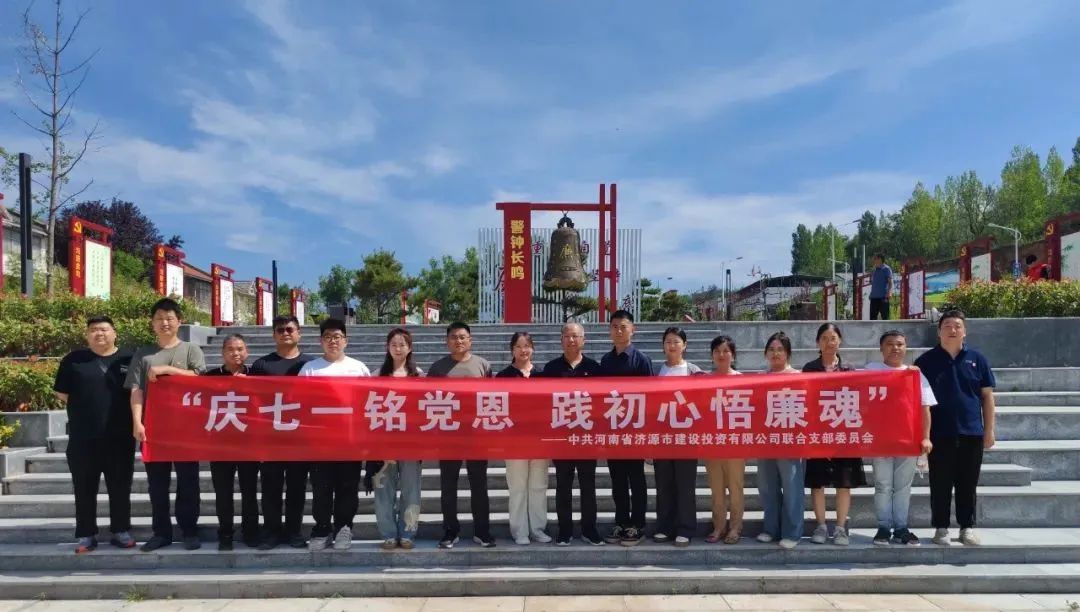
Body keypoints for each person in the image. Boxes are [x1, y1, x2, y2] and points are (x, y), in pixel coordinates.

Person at [125, 298, 207, 552]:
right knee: (157, 485)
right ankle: (161, 532)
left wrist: (167, 370)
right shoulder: (143, 353)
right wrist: (137, 422)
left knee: (188, 482)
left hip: (186, 429)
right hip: (154, 428)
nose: (165, 323)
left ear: (179, 321)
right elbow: (137, 390)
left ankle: (189, 530)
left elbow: (201, 379)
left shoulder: (191, 349)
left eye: (170, 318)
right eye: (159, 318)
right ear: (152, 323)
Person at [54, 316, 136, 554]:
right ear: (87, 335)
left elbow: (138, 392)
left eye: (104, 329)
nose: (99, 333)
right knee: (84, 487)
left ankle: (121, 530)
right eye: (93, 330)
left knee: (120, 486)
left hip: (120, 437)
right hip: (83, 438)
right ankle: (86, 534)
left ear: (114, 333)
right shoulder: (74, 360)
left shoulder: (129, 358)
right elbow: (62, 393)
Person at [914, 310, 996, 547]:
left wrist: (989, 430)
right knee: (940, 483)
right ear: (939, 332)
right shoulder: (925, 362)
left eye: (957, 326)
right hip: (939, 433)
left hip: (972, 431)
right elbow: (918, 401)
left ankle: (966, 527)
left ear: (965, 331)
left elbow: (987, 397)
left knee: (968, 483)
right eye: (947, 325)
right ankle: (941, 528)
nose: (953, 330)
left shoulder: (977, 359)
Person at [299, 318, 372, 551]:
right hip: (320, 442)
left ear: (346, 341)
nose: (333, 341)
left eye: (337, 337)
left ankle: (343, 528)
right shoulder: (310, 369)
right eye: (328, 337)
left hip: (349, 441)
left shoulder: (358, 368)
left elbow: (369, 403)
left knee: (347, 487)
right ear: (321, 341)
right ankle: (322, 529)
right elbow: (300, 403)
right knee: (321, 487)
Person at [865, 330, 937, 546]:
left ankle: (901, 528)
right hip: (880, 440)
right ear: (881, 348)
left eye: (899, 344)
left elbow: (925, 408)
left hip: (908, 440)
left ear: (905, 348)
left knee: (903, 487)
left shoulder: (915, 374)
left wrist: (926, 437)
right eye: (890, 344)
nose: (895, 348)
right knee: (883, 485)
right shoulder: (870, 370)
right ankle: (883, 528)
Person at [429, 322, 495, 549]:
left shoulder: (483, 366)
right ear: (447, 341)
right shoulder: (438, 368)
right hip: (448, 436)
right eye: (454, 337)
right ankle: (450, 531)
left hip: (477, 435)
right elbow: (428, 400)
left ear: (470, 340)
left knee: (479, 484)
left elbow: (492, 398)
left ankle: (482, 531)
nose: (458, 341)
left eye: (462, 337)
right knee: (448, 484)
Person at [539, 321, 603, 546]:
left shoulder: (594, 368)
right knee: (563, 486)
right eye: (567, 336)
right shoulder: (551, 369)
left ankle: (589, 529)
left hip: (587, 438)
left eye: (575, 336)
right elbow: (543, 403)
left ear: (583, 340)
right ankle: (564, 530)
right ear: (561, 340)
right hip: (561, 438)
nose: (571, 340)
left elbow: (602, 403)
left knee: (588, 485)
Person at [250, 315, 311, 550]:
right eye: (280, 330)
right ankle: (271, 532)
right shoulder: (261, 365)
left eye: (290, 329)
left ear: (299, 333)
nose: (285, 333)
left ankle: (294, 531)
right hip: (270, 438)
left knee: (297, 488)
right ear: (274, 335)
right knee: (270, 488)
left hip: (300, 438)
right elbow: (251, 401)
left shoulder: (310, 366)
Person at [802, 323, 866, 547]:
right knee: (817, 483)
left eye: (833, 338)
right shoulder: (809, 369)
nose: (829, 343)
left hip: (843, 434)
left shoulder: (848, 369)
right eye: (824, 338)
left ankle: (840, 528)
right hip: (817, 434)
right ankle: (820, 526)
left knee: (843, 483)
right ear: (817, 342)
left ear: (840, 341)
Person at [599, 309, 654, 547]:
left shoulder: (641, 360)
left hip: (635, 432)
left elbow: (650, 398)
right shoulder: (606, 361)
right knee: (618, 480)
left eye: (623, 327)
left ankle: (637, 525)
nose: (619, 331)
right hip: (613, 432)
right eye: (614, 327)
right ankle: (621, 522)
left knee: (637, 480)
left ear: (633, 330)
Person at [203, 334, 260, 551]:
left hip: (249, 444)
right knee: (223, 492)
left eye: (240, 349)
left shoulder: (256, 376)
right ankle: (225, 533)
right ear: (223, 353)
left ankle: (251, 532)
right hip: (220, 445)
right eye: (230, 349)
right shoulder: (210, 377)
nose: (236, 353)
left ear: (246, 352)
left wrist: (251, 387)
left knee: (249, 491)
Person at [368, 328, 423, 551]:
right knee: (383, 490)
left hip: (411, 444)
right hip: (383, 445)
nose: (398, 348)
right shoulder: (376, 376)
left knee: (411, 489)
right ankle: (388, 534)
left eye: (402, 344)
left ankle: (408, 532)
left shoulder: (419, 376)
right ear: (387, 347)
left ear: (409, 348)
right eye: (394, 344)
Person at [497, 331, 551, 545]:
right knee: (518, 487)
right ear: (512, 350)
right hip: (514, 441)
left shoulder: (542, 375)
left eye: (527, 346)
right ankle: (519, 531)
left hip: (539, 440)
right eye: (518, 346)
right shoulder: (503, 377)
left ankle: (537, 529)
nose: (523, 350)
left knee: (538, 486)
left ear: (533, 348)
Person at [652, 327, 702, 547]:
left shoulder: (693, 371)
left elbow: (702, 404)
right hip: (662, 437)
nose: (672, 346)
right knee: (663, 484)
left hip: (686, 438)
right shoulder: (656, 371)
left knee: (685, 485)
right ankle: (665, 526)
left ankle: (686, 528)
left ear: (685, 345)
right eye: (668, 342)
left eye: (676, 342)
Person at [756, 331, 806, 549]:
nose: (775, 353)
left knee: (792, 487)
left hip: (790, 441)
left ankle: (792, 532)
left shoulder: (799, 377)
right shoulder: (759, 378)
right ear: (765, 353)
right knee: (767, 486)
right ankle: (771, 528)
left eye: (780, 349)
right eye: (771, 349)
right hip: (765, 439)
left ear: (788, 353)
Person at [704, 335, 745, 545]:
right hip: (712, 443)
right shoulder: (704, 382)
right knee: (716, 488)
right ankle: (718, 526)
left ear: (733, 355)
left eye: (726, 351)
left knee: (735, 487)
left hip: (735, 443)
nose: (721, 355)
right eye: (717, 351)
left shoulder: (742, 380)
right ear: (712, 355)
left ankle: (735, 527)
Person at [869, 253, 893, 320]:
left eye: (875, 258)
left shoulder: (886, 269)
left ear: (880, 259)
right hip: (874, 298)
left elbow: (890, 282)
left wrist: (889, 292)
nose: (874, 260)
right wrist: (871, 293)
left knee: (885, 318)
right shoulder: (874, 270)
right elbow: (874, 283)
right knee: (872, 318)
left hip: (883, 297)